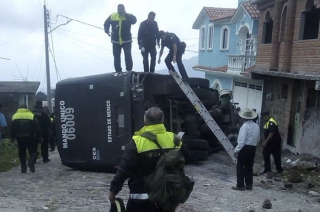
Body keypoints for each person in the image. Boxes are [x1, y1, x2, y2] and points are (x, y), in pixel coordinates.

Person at [108, 107, 189, 212]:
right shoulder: (174, 139)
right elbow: (187, 158)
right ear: (162, 121)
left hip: (140, 199)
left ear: (145, 121)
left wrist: (113, 191)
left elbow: (124, 168)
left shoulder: (138, 142)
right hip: (165, 197)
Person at [232, 108, 260, 191]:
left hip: (245, 147)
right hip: (253, 147)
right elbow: (258, 139)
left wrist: (237, 150)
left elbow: (241, 141)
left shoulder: (244, 126)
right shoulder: (256, 126)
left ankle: (240, 185)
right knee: (249, 166)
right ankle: (249, 184)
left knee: (240, 166)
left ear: (243, 118)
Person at [104, 4, 137, 73]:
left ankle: (129, 70)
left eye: (121, 9)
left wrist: (126, 14)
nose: (120, 11)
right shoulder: (113, 15)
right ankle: (118, 71)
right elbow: (106, 23)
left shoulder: (128, 16)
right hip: (115, 41)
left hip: (127, 41)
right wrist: (107, 31)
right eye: (118, 9)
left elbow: (134, 21)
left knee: (128, 56)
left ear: (124, 9)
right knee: (116, 57)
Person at [10, 104, 42, 173]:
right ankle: (31, 163)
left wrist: (12, 137)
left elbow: (12, 128)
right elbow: (37, 127)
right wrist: (39, 136)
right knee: (33, 152)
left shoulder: (15, 116)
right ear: (26, 108)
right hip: (30, 137)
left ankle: (23, 168)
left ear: (19, 108)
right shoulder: (31, 115)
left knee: (22, 152)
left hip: (19, 137)